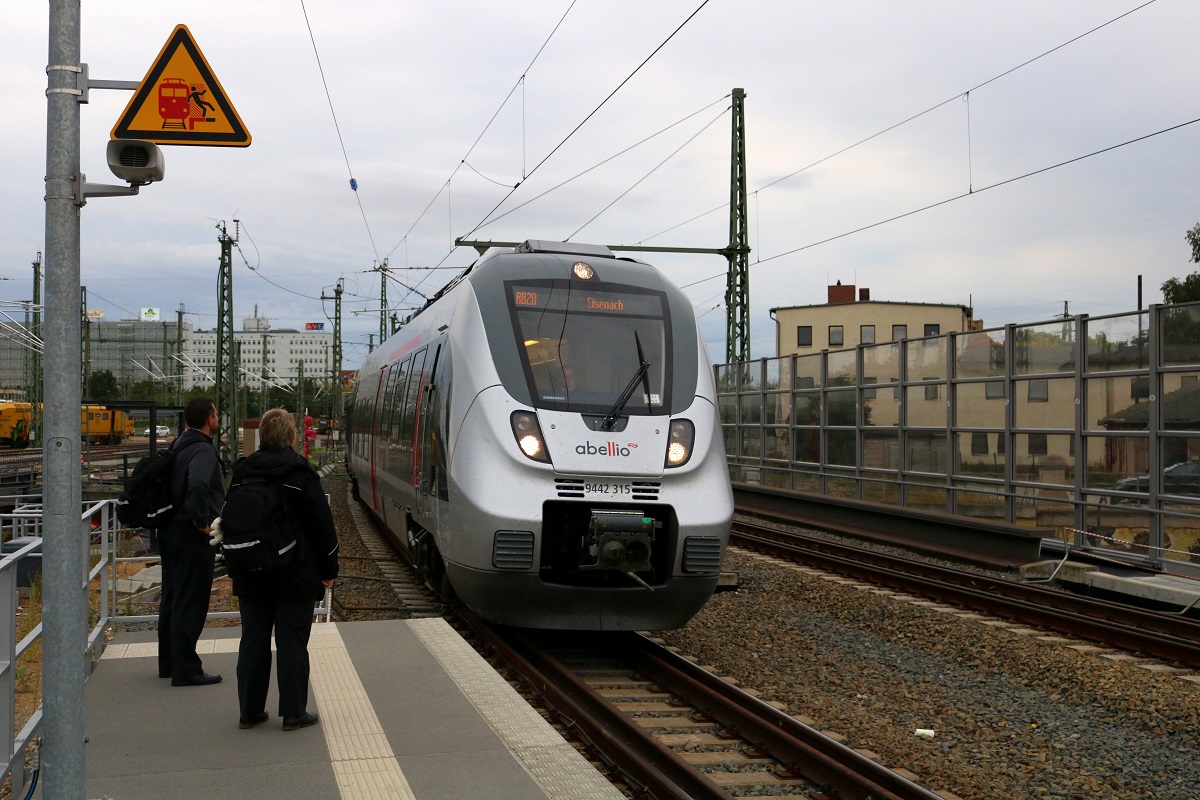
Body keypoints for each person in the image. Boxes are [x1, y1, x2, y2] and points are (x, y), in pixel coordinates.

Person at [230, 408, 339, 731]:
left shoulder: (243, 473)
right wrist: (329, 567)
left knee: (253, 639)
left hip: (250, 568)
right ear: (292, 437)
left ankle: (249, 712)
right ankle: (293, 712)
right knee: (291, 641)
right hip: (294, 572)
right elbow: (322, 526)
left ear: (263, 436)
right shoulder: (300, 474)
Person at [158, 397, 225, 686]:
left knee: (172, 596)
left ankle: (169, 663)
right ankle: (187, 670)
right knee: (191, 600)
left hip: (170, 530)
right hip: (190, 533)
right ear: (209, 419)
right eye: (216, 414)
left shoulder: (179, 445)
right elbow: (197, 484)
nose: (217, 417)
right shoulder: (203, 450)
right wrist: (201, 521)